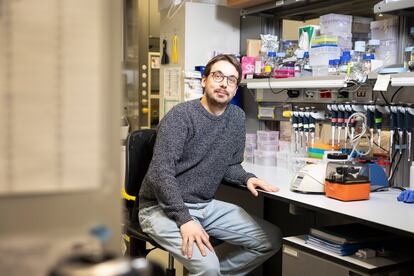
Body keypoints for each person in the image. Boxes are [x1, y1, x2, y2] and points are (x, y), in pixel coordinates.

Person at [138, 54, 281, 276]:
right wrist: (184, 218)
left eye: (231, 80)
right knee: (207, 266)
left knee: (271, 239)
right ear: (204, 80)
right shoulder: (181, 116)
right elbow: (160, 173)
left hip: (204, 206)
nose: (224, 83)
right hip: (160, 207)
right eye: (218, 76)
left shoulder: (236, 118)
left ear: (235, 89)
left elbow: (231, 164)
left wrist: (247, 178)